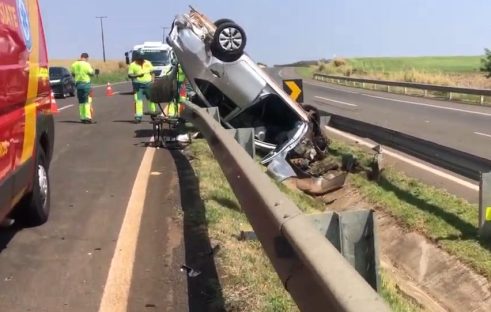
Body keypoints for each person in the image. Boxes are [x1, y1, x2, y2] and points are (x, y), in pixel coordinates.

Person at [128, 51, 157, 123]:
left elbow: (152, 72)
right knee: (138, 100)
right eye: (140, 58)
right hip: (138, 85)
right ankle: (138, 117)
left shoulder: (148, 63)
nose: (142, 60)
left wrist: (153, 81)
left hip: (148, 84)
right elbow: (130, 75)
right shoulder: (132, 65)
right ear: (137, 58)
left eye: (143, 58)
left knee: (152, 100)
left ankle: (153, 114)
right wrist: (137, 76)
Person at [71, 53, 95, 123]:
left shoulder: (74, 64)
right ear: (86, 58)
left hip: (78, 85)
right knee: (86, 102)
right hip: (86, 84)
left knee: (81, 102)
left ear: (81, 57)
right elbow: (92, 73)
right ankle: (87, 117)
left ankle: (82, 117)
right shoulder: (86, 64)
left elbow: (72, 74)